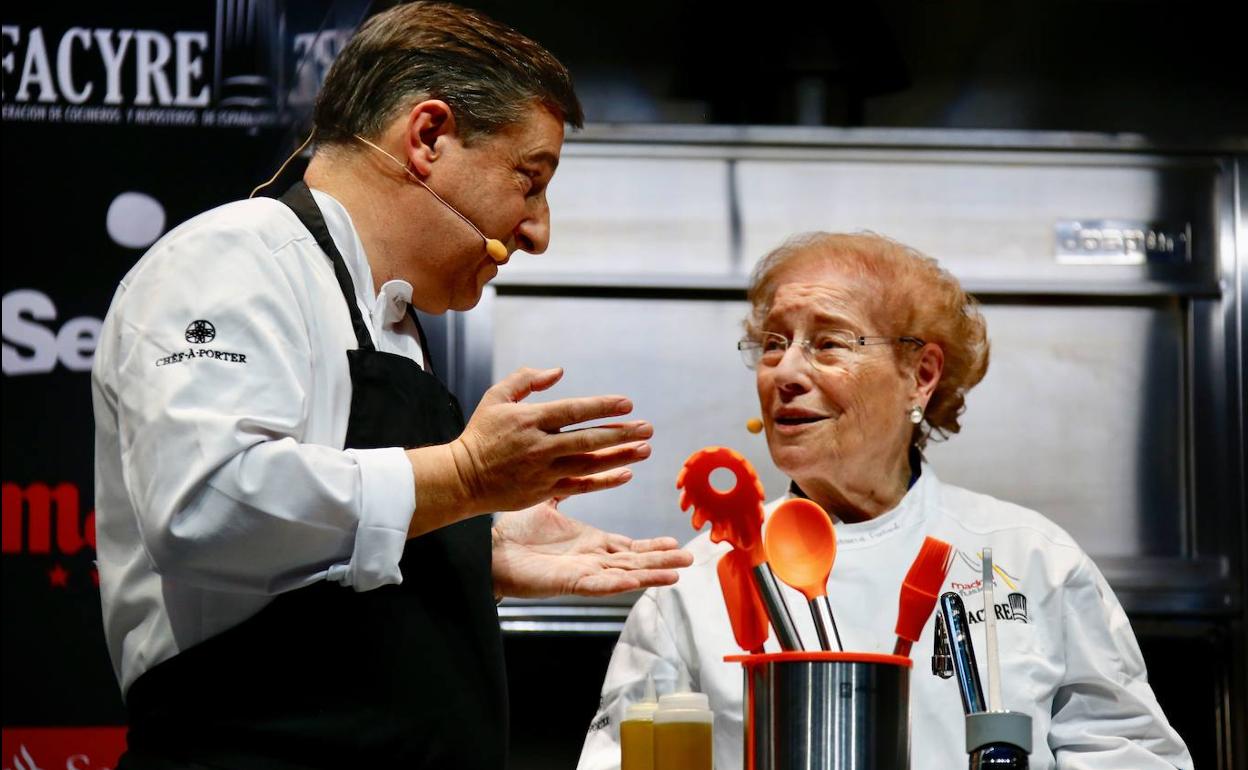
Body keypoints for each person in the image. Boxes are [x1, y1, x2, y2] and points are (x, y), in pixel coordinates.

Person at [91, 4, 691, 768]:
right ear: (429, 136)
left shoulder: (397, 323)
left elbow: (334, 557)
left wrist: (473, 548)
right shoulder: (230, 260)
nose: (537, 230)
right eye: (528, 179)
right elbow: (205, 505)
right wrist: (465, 477)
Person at [577, 232, 1193, 770]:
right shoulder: (696, 581)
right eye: (772, 343)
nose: (785, 372)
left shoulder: (1028, 559)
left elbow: (1129, 753)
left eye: (829, 344)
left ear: (920, 374)